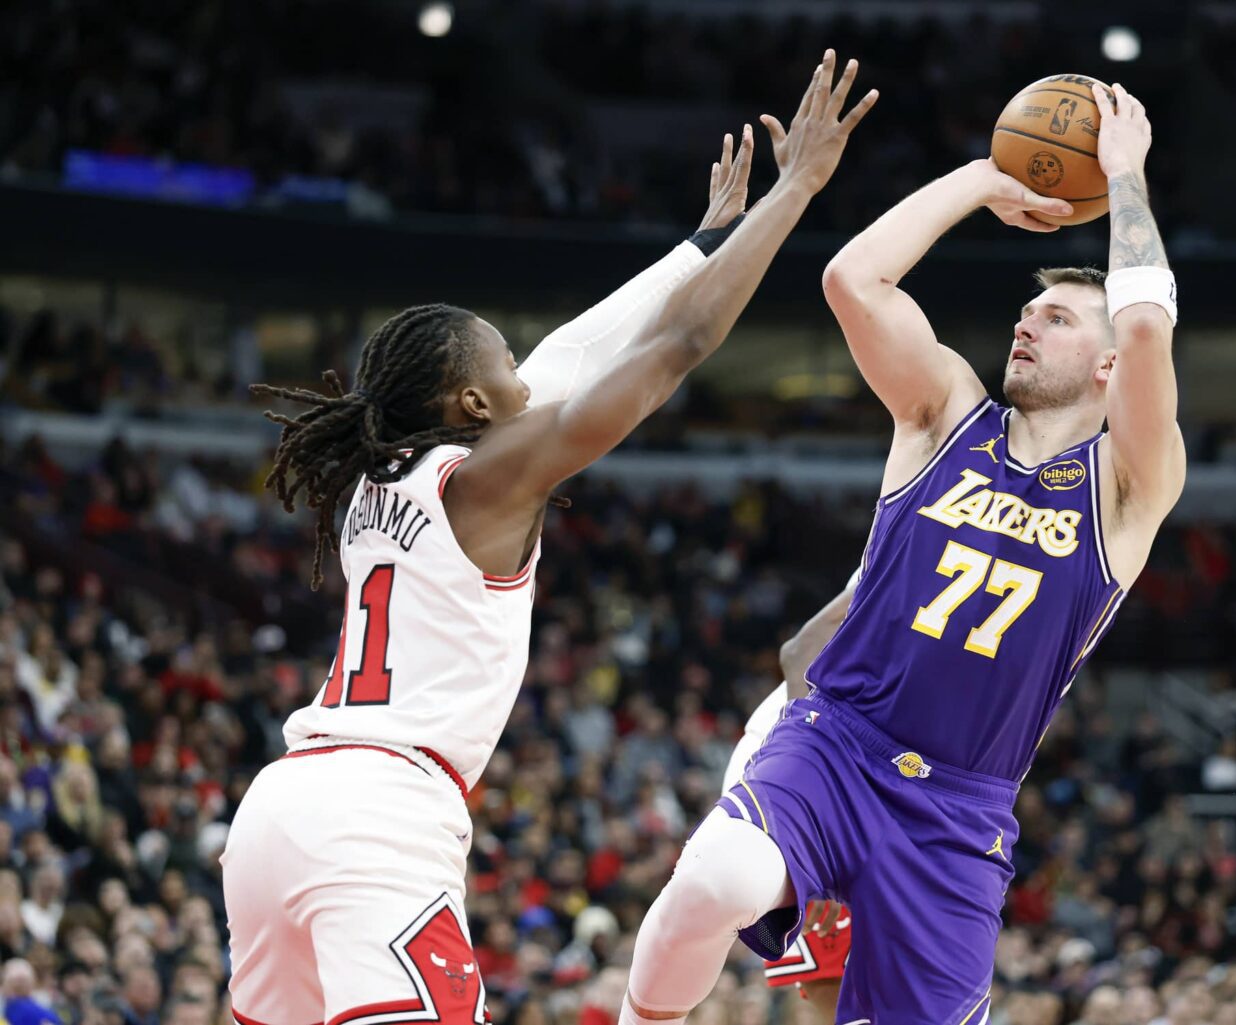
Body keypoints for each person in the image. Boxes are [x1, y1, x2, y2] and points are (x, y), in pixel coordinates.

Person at [221, 53, 878, 1025]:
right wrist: (797, 193)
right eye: (506, 372)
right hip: (379, 818)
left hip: (280, 810)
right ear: (474, 402)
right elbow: (674, 350)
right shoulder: (486, 476)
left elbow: (575, 345)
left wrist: (699, 242)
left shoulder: (382, 475)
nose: (531, 385)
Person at [623, 82, 1182, 1025]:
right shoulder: (945, 416)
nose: (1025, 323)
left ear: (1106, 368)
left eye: (1056, 319)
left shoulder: (1128, 487)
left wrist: (1123, 176)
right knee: (717, 880)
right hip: (840, 741)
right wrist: (979, 177)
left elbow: (1141, 321)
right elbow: (852, 280)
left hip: (958, 811)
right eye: (1026, 311)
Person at [721, 575, 857, 1023]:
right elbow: (798, 653)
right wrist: (814, 862)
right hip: (792, 784)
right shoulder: (906, 547)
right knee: (828, 988)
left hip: (833, 793)